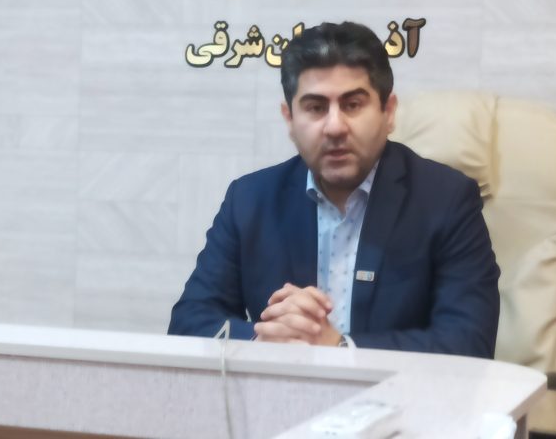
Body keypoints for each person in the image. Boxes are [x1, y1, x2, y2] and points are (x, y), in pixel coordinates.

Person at [168, 21, 500, 357]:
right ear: (289, 119)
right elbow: (188, 322)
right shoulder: (249, 200)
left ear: (388, 113)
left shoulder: (446, 200)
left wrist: (340, 348)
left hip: (399, 390)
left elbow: (468, 343)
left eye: (352, 105)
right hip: (279, 390)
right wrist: (264, 341)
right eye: (315, 107)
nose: (335, 126)